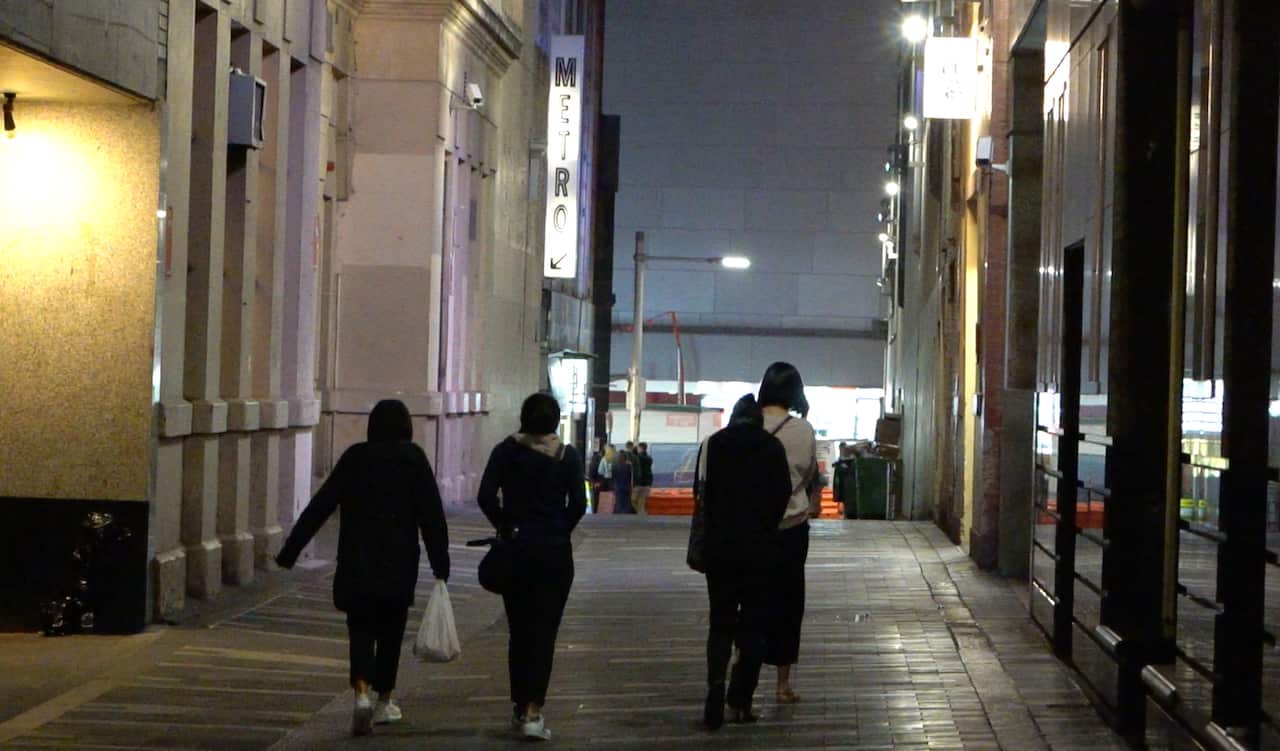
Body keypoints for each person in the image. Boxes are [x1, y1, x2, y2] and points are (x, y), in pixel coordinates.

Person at [275, 399, 450, 737]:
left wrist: (291, 550)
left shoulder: (356, 458)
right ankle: (385, 699)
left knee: (360, 627)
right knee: (391, 629)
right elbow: (432, 516)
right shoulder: (414, 460)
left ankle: (360, 693)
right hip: (399, 561)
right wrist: (440, 563)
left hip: (357, 559)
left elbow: (321, 504)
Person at [477, 393, 587, 741]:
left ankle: (518, 704)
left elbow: (484, 496)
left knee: (519, 630)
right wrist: (558, 530)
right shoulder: (567, 457)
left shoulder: (505, 451)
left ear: (523, 419)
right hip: (554, 555)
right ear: (555, 422)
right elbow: (579, 504)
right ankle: (534, 711)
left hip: (517, 551)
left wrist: (504, 525)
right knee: (545, 633)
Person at [694, 394, 792, 729]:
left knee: (721, 621)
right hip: (759, 550)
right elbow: (782, 496)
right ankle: (740, 700)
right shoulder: (772, 448)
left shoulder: (713, 445)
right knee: (753, 625)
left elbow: (700, 492)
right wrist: (764, 526)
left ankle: (715, 687)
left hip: (720, 549)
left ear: (733, 418)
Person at [757, 361, 821, 704]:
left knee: (751, 601)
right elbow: (810, 473)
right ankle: (782, 685)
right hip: (792, 529)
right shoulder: (803, 431)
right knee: (789, 604)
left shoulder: (746, 426)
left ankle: (743, 677)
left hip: (753, 529)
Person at [632, 442, 654, 515]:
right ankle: (642, 513)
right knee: (641, 501)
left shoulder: (638, 458)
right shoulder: (649, 458)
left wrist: (634, 451)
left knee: (634, 499)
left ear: (640, 448)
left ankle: (642, 514)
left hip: (639, 482)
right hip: (647, 482)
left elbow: (636, 461)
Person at [612, 447, 634, 513]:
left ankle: (618, 514)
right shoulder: (629, 466)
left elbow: (613, 477)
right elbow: (630, 477)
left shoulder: (614, 466)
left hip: (618, 487)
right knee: (626, 503)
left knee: (618, 502)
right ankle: (625, 515)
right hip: (626, 487)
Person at [587, 438, 604, 514]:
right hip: (598, 482)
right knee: (597, 498)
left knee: (595, 498)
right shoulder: (600, 461)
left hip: (595, 483)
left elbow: (591, 473)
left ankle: (594, 510)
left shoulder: (593, 462)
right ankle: (596, 510)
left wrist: (592, 482)